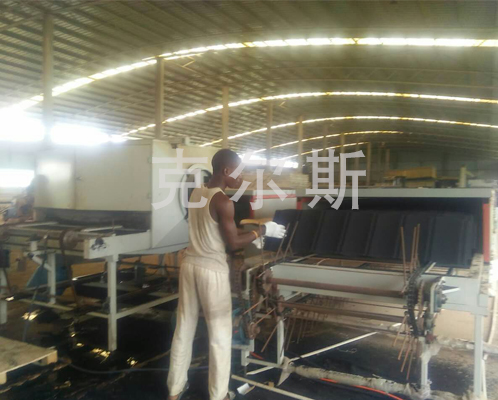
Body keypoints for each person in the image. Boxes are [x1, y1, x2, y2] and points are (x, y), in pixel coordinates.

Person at [167, 149, 286, 400]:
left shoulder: (196, 193)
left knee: (184, 328)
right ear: (225, 170)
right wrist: (263, 231)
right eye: (238, 172)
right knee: (219, 336)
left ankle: (174, 391)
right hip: (211, 271)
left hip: (189, 265)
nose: (240, 178)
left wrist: (252, 232)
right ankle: (218, 395)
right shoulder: (223, 201)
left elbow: (218, 229)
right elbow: (232, 243)